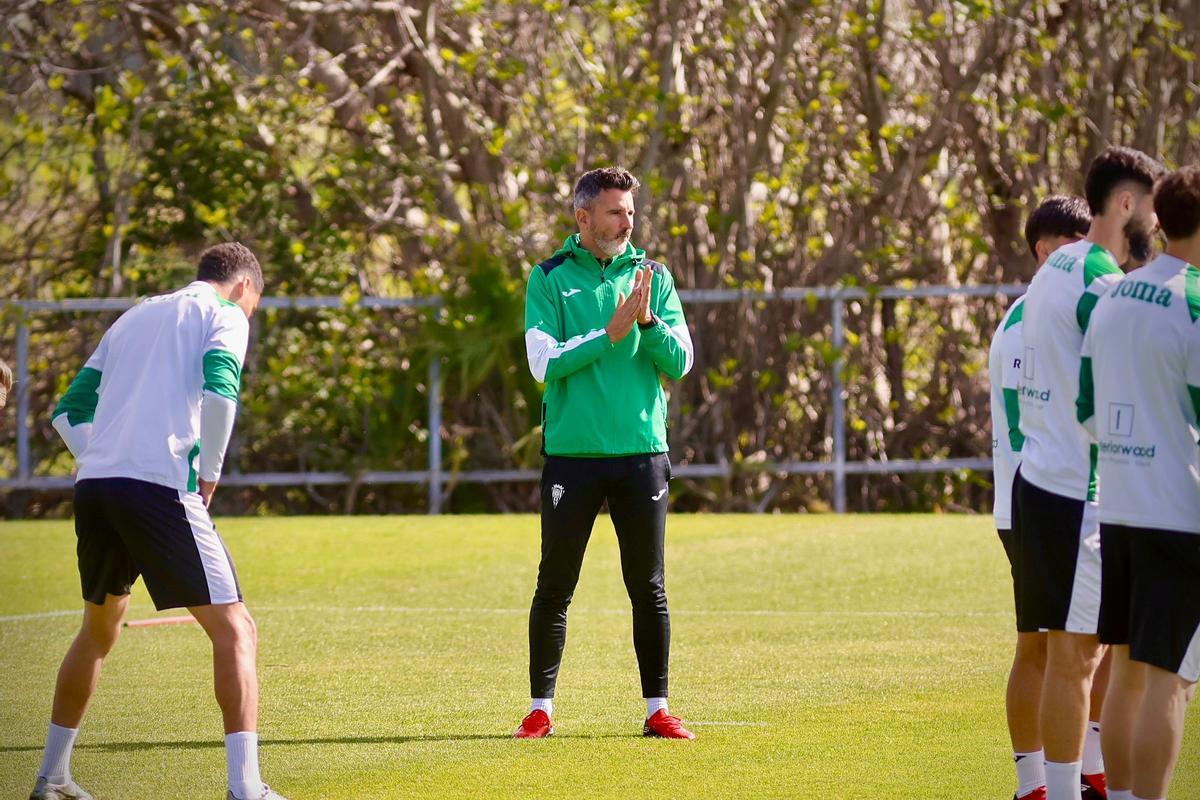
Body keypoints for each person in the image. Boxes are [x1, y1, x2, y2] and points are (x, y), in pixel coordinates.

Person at [30, 243, 287, 800]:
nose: (249, 318)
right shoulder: (224, 314)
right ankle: (245, 789)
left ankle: (51, 777)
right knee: (236, 628)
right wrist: (210, 475)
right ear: (245, 287)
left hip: (95, 487)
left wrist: (106, 460)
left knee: (98, 631)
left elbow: (67, 412)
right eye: (254, 308)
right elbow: (221, 391)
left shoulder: (135, 313)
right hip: (158, 487)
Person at [515, 166, 695, 740]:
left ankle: (657, 710)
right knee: (555, 585)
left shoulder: (654, 277)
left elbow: (681, 362)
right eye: (615, 212)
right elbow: (543, 363)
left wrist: (646, 320)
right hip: (572, 456)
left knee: (649, 586)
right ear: (583, 217)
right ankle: (541, 709)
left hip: (643, 452)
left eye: (631, 212)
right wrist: (610, 333)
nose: (627, 222)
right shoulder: (547, 279)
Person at [1013, 146, 1164, 800]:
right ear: (1126, 204)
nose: (1158, 224)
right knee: (1076, 659)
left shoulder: (1059, 265)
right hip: (1076, 491)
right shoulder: (1097, 276)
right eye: (1153, 207)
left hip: (1044, 482)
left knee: (1062, 656)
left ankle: (1056, 787)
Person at [1078, 165, 1200, 800]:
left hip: (1119, 507)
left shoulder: (1114, 295)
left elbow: (1088, 410)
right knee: (1169, 679)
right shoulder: (1196, 300)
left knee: (1125, 667)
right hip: (1178, 513)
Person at [991, 195, 1097, 800]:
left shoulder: (1028, 316)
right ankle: (1056, 780)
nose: (1085, 260)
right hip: (1046, 498)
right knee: (1062, 648)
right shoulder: (1036, 319)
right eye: (1075, 246)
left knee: (1056, 646)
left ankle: (1054, 778)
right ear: (1044, 249)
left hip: (1030, 500)